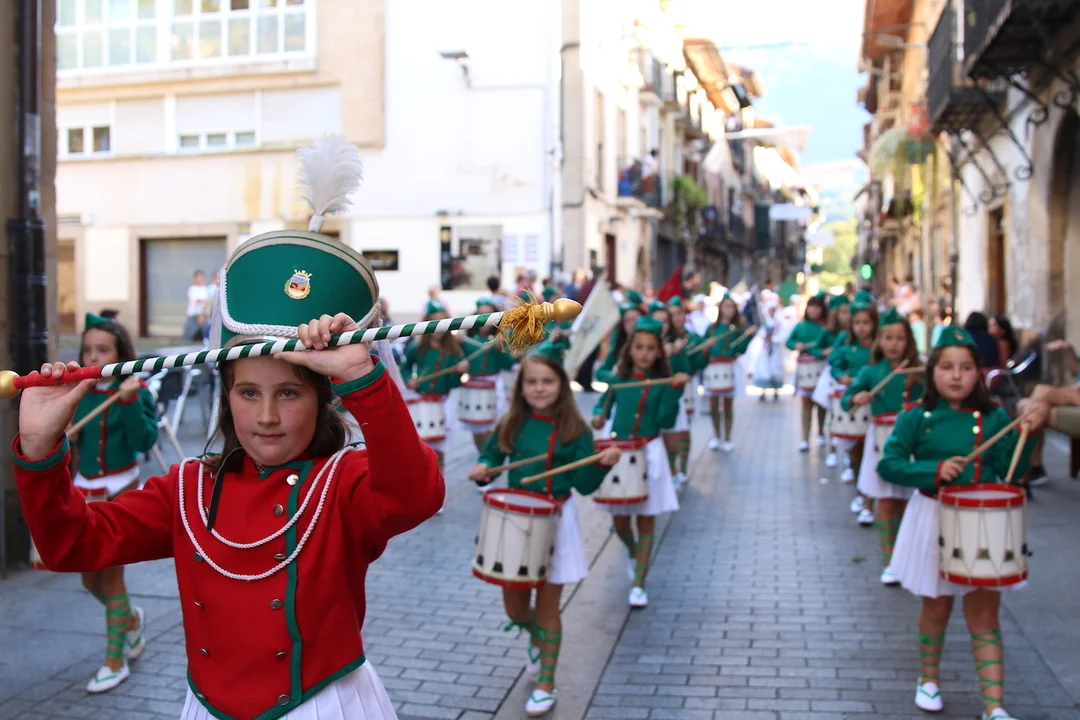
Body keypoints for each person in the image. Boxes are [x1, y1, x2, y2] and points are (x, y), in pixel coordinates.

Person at [15, 135, 444, 720]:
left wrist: (360, 379)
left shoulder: (342, 485)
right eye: (248, 392)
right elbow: (74, 544)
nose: (265, 416)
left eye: (289, 393)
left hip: (325, 706)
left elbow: (417, 495)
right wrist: (40, 449)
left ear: (321, 400)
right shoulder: (187, 490)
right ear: (227, 397)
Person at [877, 327, 1046, 720]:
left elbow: (1011, 471)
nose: (956, 376)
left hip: (982, 523)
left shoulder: (995, 417)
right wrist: (934, 471)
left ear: (978, 373)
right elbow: (890, 465)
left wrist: (1028, 435)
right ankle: (928, 679)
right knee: (936, 608)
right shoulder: (915, 416)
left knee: (985, 616)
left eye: (966, 367)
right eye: (947, 367)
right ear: (932, 371)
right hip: (934, 517)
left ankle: (994, 707)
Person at [468, 340, 619, 716]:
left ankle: (547, 682)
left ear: (561, 385)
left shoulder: (575, 429)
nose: (539, 388)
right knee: (516, 611)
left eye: (547, 382)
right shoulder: (511, 422)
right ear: (521, 387)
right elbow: (492, 455)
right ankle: (537, 637)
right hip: (514, 521)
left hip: (556, 521)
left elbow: (584, 485)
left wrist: (601, 463)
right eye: (531, 382)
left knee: (549, 607)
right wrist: (483, 468)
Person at [46, 312, 159, 693]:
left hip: (121, 490)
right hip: (84, 490)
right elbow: (67, 445)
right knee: (88, 576)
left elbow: (145, 442)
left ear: (120, 353)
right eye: (88, 350)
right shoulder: (79, 392)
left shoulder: (135, 390)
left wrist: (130, 402)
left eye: (103, 350)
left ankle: (115, 661)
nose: (93, 357)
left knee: (111, 576)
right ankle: (130, 620)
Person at [592, 317, 688, 608]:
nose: (644, 353)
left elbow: (665, 421)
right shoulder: (618, 380)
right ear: (630, 350)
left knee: (647, 519)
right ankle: (634, 552)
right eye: (639, 347)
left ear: (659, 353)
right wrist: (598, 416)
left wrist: (675, 391)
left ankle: (639, 583)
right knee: (620, 520)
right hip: (620, 452)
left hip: (650, 453)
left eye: (650, 348)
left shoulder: (663, 384)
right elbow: (603, 404)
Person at [842, 307, 923, 584]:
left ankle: (905, 556)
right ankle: (890, 562)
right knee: (886, 500)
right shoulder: (870, 371)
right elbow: (847, 398)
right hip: (881, 442)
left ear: (908, 341)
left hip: (911, 441)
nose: (894, 344)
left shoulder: (919, 371)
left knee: (907, 500)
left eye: (900, 338)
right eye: (888, 338)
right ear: (880, 341)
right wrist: (857, 398)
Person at [402, 299, 467, 510]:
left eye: (443, 323)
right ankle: (417, 488)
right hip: (420, 402)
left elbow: (454, 383)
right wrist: (409, 380)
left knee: (439, 450)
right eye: (434, 323)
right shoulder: (416, 347)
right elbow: (405, 367)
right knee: (418, 447)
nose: (439, 328)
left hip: (443, 403)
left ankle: (436, 492)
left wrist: (460, 373)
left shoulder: (454, 352)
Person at [827, 303, 879, 523]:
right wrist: (842, 376)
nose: (861, 327)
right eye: (857, 323)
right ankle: (861, 492)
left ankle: (869, 501)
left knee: (872, 454)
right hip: (854, 403)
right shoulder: (847, 347)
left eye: (866, 322)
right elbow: (835, 363)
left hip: (876, 407)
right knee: (856, 454)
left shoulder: (879, 348)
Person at [459, 298, 516, 453]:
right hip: (473, 386)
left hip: (494, 385)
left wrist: (500, 349)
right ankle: (482, 454)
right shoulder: (467, 340)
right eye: (481, 313)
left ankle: (491, 454)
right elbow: (458, 360)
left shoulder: (500, 338)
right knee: (476, 426)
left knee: (493, 426)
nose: (484, 318)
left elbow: (508, 364)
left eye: (488, 314)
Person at [702, 294, 751, 452]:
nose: (729, 310)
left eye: (732, 306)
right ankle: (716, 436)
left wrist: (748, 337)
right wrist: (706, 346)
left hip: (729, 367)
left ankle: (728, 437)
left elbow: (740, 349)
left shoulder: (737, 329)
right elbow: (703, 348)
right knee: (714, 404)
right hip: (713, 368)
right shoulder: (712, 328)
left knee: (728, 405)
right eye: (726, 306)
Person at [663, 297, 703, 481]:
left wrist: (703, 353)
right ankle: (671, 470)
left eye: (679, 313)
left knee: (684, 428)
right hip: (666, 389)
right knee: (669, 430)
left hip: (686, 389)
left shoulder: (691, 338)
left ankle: (683, 470)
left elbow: (696, 365)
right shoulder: (663, 339)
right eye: (672, 315)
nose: (676, 318)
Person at [786, 294, 830, 451]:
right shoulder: (800, 326)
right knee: (806, 404)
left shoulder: (826, 327)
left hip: (821, 368)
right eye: (811, 306)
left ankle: (821, 433)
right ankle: (804, 438)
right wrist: (796, 345)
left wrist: (823, 351)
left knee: (821, 403)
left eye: (817, 307)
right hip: (805, 370)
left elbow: (831, 344)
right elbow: (788, 341)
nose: (814, 310)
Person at [595, 304, 643, 384]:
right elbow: (600, 372)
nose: (632, 323)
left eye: (636, 319)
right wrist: (616, 377)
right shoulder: (619, 346)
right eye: (628, 320)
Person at [752, 301, 785, 401]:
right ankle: (763, 391)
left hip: (775, 348)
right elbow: (760, 333)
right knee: (764, 369)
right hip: (765, 349)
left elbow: (783, 335)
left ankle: (775, 391)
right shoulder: (765, 322)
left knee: (775, 369)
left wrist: (773, 339)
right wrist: (766, 337)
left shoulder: (779, 322)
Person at [183, 270, 210, 342]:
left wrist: (202, 314)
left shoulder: (205, 289)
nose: (200, 279)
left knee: (205, 336)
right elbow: (195, 301)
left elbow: (207, 302)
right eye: (199, 277)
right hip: (193, 315)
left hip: (203, 315)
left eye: (202, 277)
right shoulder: (192, 289)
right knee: (188, 336)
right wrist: (202, 301)